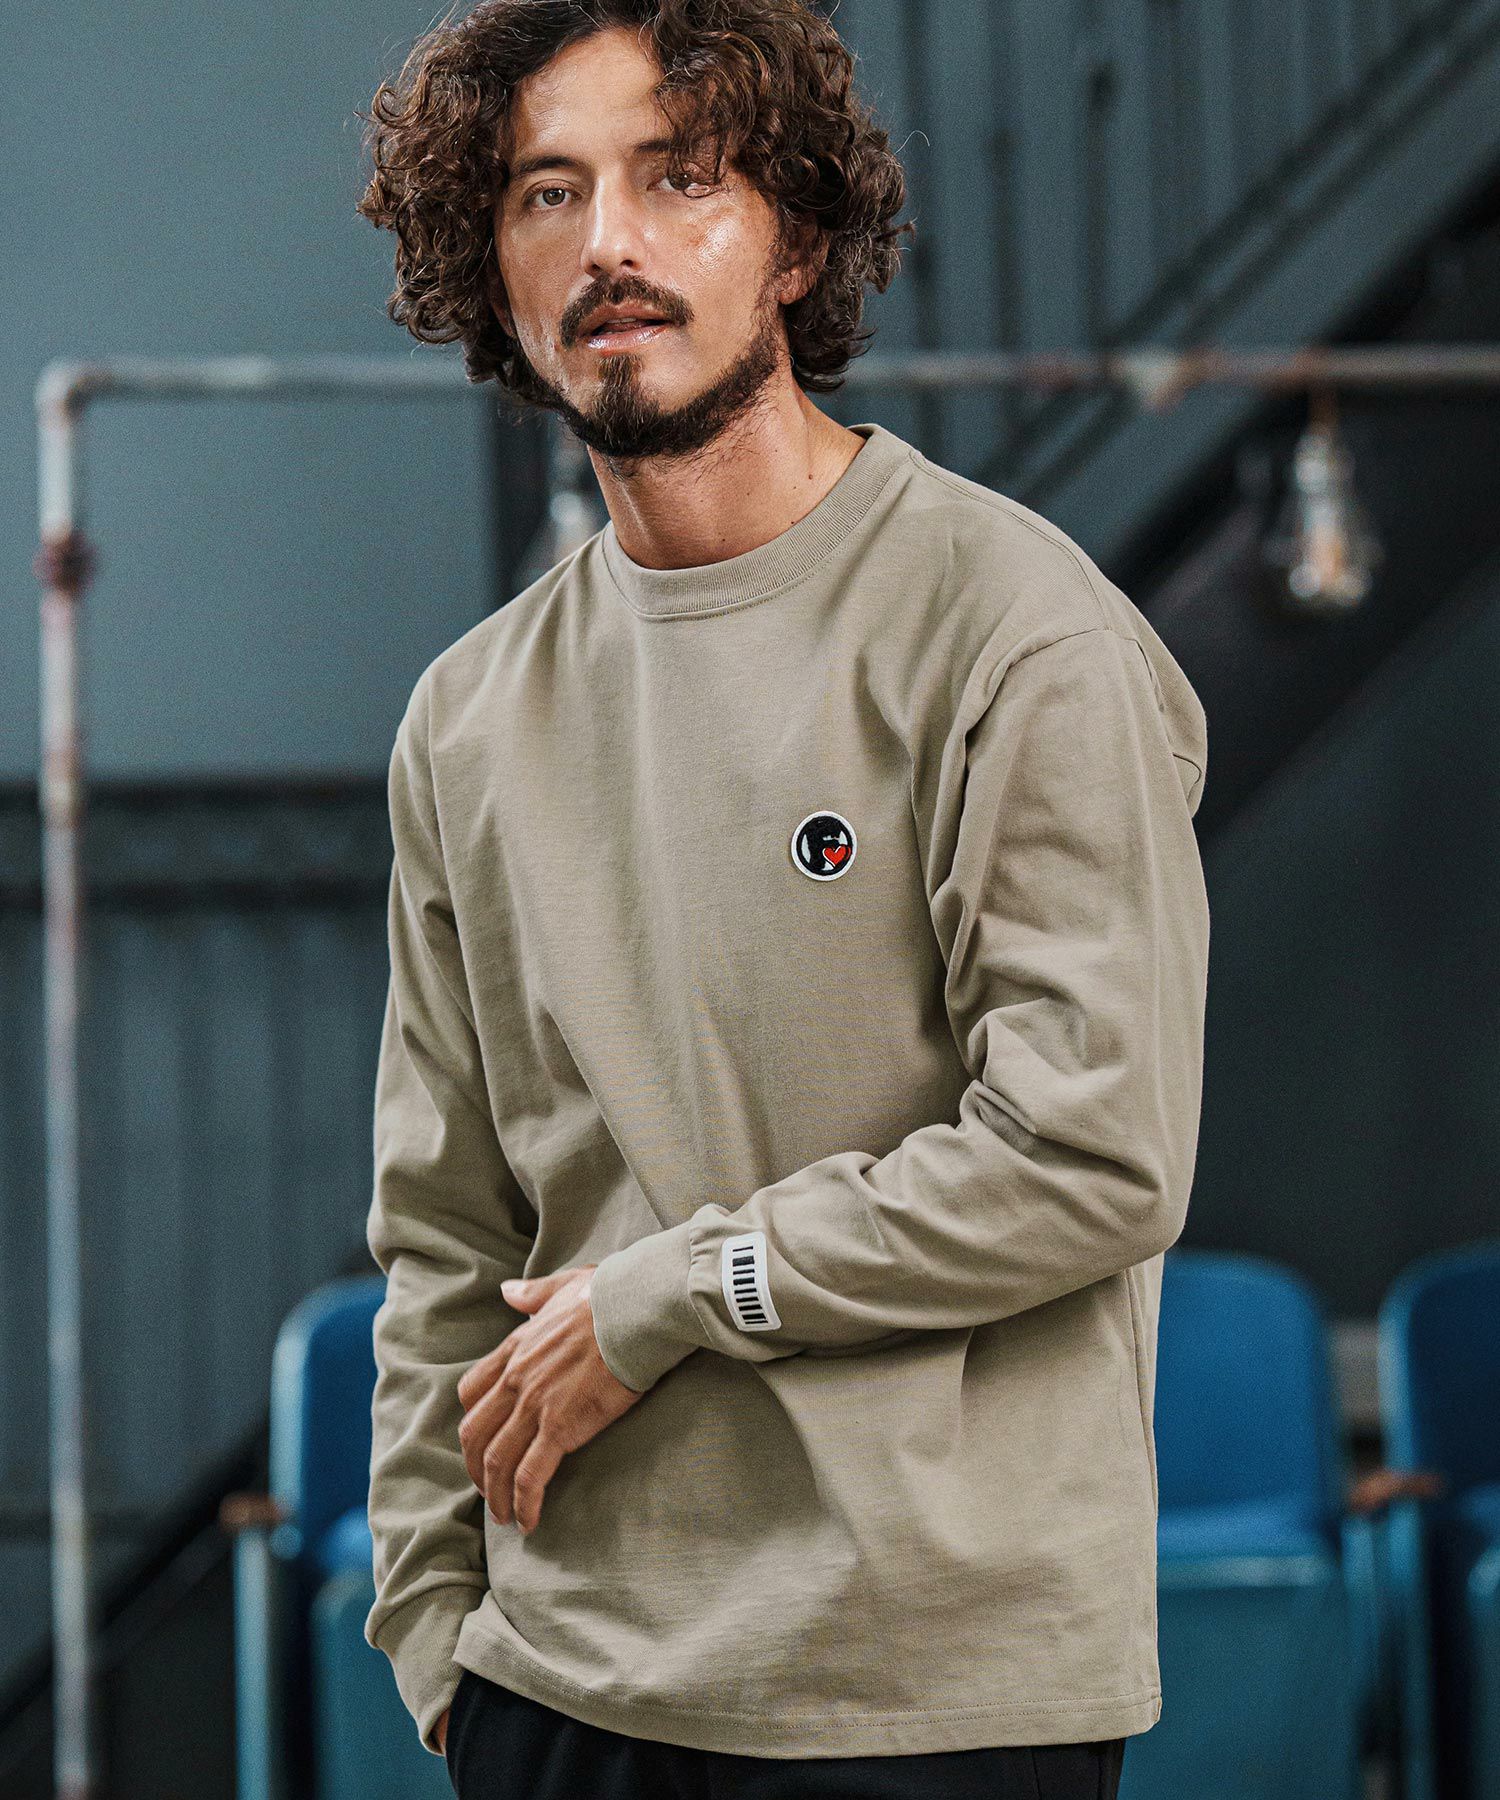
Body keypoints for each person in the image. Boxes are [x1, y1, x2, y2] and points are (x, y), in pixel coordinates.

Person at [354, 3, 1210, 1797]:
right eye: (546, 192)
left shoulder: (1014, 632)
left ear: (799, 241)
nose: (609, 242)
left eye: (681, 179)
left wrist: (681, 1289)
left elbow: (1093, 1154)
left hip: (935, 1703)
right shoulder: (468, 717)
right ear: (487, 264)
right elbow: (444, 1235)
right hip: (561, 1699)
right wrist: (443, 1646)